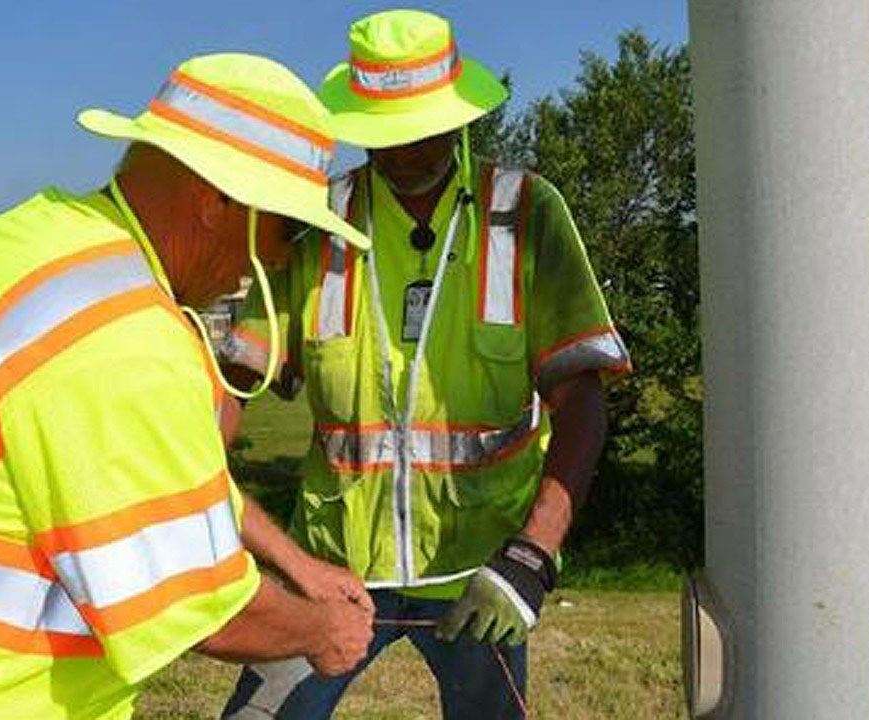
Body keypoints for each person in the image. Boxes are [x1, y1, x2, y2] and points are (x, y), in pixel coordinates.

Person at [0, 53, 377, 720]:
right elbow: (200, 609)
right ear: (219, 201)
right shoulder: (128, 339)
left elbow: (166, 481)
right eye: (290, 227)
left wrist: (297, 563)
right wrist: (319, 631)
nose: (282, 257)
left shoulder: (30, 241)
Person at [220, 11, 631, 719]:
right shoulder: (316, 222)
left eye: (420, 125)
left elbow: (581, 399)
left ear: (456, 114)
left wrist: (534, 554)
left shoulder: (526, 213)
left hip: (483, 572)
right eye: (385, 131)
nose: (404, 147)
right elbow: (233, 385)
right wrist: (200, 516)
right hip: (328, 569)